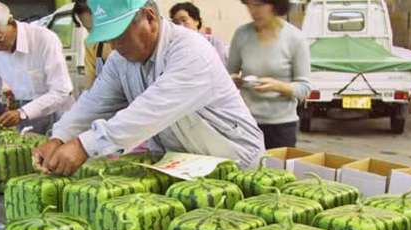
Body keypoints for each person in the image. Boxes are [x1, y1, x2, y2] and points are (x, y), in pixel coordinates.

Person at [35, 0, 264, 177]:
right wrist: (60, 137)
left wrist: (84, 146)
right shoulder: (120, 61)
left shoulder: (191, 52)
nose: (114, 46)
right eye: (108, 38)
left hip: (234, 165)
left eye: (119, 35)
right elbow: (93, 104)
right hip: (185, 167)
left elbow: (149, 112)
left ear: (150, 17)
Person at [0, 0, 74, 134]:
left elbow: (61, 91)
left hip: (58, 111)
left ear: (10, 22)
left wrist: (23, 113)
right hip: (24, 112)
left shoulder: (44, 39)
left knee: (58, 144)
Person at [228, 0, 311, 149]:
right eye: (249, 5)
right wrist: (234, 80)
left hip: (281, 126)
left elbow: (304, 88)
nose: (253, 11)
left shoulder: (295, 38)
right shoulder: (241, 34)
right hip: (246, 123)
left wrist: (278, 86)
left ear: (275, 5)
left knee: (275, 164)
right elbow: (229, 75)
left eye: (259, 5)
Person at [72, 0, 112, 88]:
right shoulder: (91, 45)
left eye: (97, 27)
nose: (95, 34)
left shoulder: (126, 42)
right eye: (88, 29)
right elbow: (90, 83)